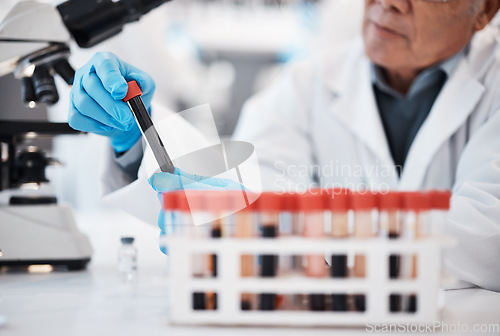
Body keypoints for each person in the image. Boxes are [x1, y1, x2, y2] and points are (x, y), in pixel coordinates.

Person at [68, 0, 500, 291]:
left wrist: (300, 227)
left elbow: (486, 232)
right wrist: (136, 138)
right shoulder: (308, 82)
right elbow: (248, 190)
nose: (390, 2)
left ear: (485, 11)